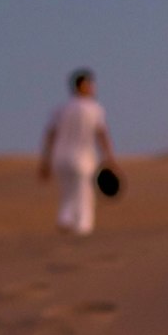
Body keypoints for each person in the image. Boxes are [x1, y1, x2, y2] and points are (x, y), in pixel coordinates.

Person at [38, 69, 118, 236]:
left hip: (60, 158)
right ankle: (83, 229)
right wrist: (109, 157)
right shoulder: (94, 108)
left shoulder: (61, 109)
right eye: (89, 84)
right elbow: (101, 134)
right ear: (81, 86)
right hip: (82, 157)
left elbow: (50, 135)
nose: (92, 88)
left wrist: (46, 160)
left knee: (68, 192)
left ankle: (65, 219)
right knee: (84, 192)